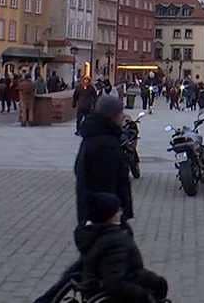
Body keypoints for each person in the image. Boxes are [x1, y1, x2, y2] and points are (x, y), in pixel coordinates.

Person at [74, 193, 168, 303]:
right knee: (158, 286)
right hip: (117, 284)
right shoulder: (115, 241)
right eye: (117, 210)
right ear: (109, 216)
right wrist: (143, 295)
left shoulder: (90, 232)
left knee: (159, 283)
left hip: (102, 277)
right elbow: (115, 283)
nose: (121, 212)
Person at [74, 96, 133, 226]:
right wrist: (118, 211)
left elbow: (78, 169)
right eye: (120, 113)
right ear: (112, 116)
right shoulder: (106, 143)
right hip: (105, 215)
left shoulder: (93, 136)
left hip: (94, 211)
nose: (123, 116)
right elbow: (110, 181)